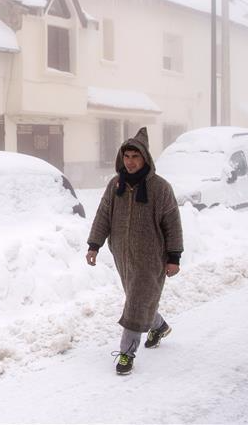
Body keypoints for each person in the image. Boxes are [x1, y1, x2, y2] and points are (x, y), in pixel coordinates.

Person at [86, 127, 183, 375]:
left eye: (135, 157)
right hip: (122, 255)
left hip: (151, 257)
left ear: (145, 159)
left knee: (137, 302)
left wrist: (174, 257)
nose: (130, 162)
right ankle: (158, 326)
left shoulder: (160, 188)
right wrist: (94, 245)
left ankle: (127, 354)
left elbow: (172, 223)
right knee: (138, 299)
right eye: (126, 156)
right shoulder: (115, 185)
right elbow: (103, 215)